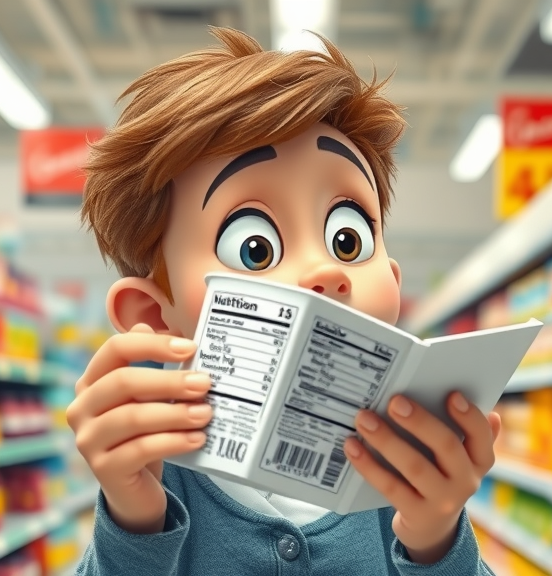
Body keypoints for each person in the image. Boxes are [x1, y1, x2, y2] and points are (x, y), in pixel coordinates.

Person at [68, 27, 500, 575]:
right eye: (255, 247)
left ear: (390, 279)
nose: (326, 270)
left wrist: (438, 541)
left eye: (348, 239)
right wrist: (133, 523)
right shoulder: (155, 475)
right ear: (154, 316)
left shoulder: (405, 466)